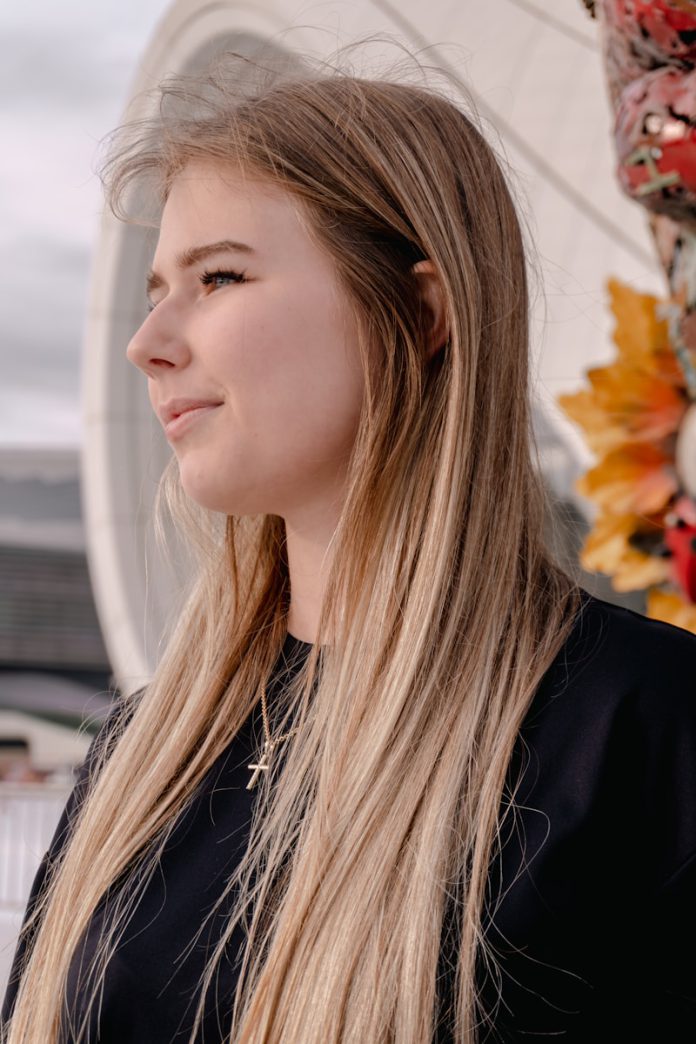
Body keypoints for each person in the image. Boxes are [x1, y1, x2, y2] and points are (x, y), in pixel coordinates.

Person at [3, 49, 696, 1044]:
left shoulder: (643, 733)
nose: (147, 341)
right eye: (157, 289)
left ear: (419, 311)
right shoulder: (138, 757)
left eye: (220, 276)